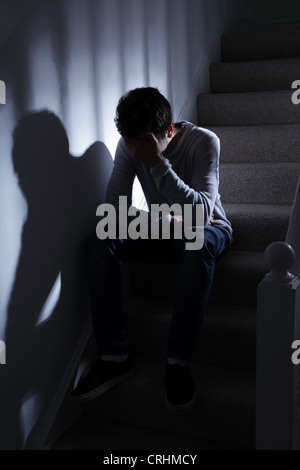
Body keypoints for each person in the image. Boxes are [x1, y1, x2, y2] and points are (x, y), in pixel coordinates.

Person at [71, 87, 233, 410]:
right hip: (163, 225)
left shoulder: (204, 142)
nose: (133, 149)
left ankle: (177, 362)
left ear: (168, 131)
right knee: (98, 239)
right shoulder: (129, 144)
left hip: (209, 228)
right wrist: (151, 216)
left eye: (141, 142)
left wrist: (158, 164)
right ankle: (115, 355)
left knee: (198, 243)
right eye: (128, 141)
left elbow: (202, 214)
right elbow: (114, 211)